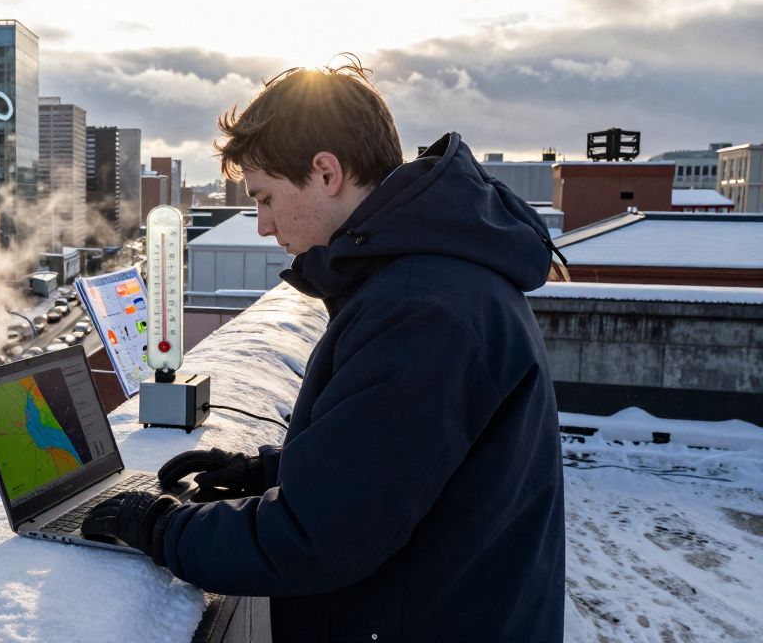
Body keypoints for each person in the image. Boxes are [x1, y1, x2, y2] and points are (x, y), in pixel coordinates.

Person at [82, 59, 566, 641]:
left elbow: (319, 537)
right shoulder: (429, 279)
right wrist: (264, 472)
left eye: (265, 198)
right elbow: (399, 461)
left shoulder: (419, 309)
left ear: (326, 172)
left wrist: (163, 528)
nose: (263, 225)